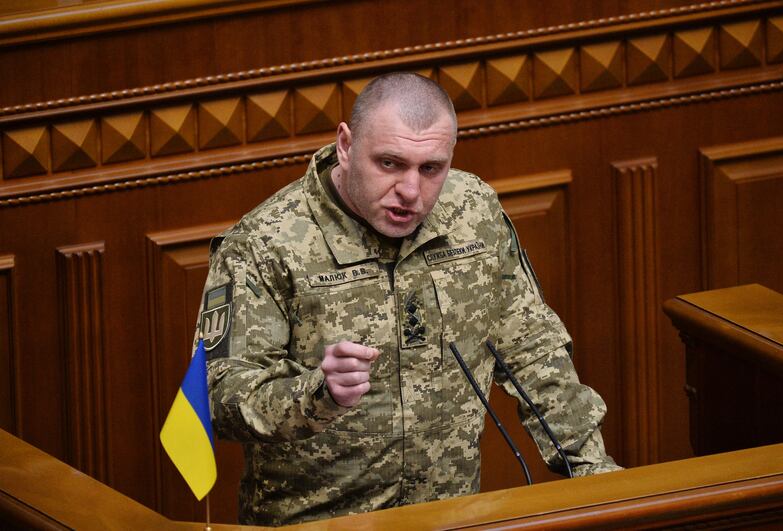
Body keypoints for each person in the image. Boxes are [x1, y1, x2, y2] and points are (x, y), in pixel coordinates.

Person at [196, 72, 621, 526]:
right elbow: (219, 395)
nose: (411, 192)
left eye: (431, 168)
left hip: (451, 517)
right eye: (390, 164)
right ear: (345, 144)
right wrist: (317, 393)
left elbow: (531, 347)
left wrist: (592, 470)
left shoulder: (473, 211)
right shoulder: (265, 244)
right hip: (321, 523)